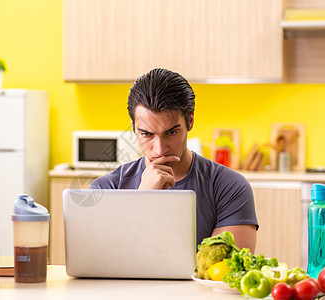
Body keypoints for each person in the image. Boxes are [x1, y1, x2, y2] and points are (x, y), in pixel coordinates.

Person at [90, 68, 258, 251]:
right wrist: (141, 200)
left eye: (171, 132)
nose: (160, 149)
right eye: (146, 134)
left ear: (190, 121)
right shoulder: (105, 190)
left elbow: (222, 272)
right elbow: (103, 262)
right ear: (133, 127)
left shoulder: (229, 187)